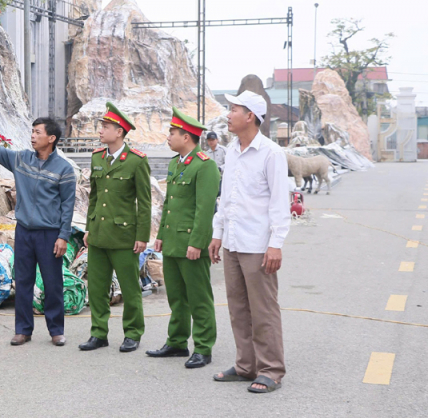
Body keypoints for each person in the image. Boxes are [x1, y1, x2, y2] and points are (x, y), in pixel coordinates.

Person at [0, 117, 76, 347]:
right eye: (32, 131)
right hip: (25, 232)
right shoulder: (21, 159)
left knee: (53, 283)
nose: (33, 136)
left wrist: (63, 236)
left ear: (51, 138)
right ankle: (23, 330)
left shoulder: (64, 169)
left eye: (38, 132)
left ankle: (56, 330)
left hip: (49, 234)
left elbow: (68, 205)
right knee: (23, 282)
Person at [208, 90, 290, 393]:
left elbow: (279, 203)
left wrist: (276, 243)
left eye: (234, 109)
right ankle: (246, 365)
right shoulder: (232, 151)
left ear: (250, 116)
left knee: (263, 309)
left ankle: (271, 370)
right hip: (233, 241)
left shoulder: (271, 153)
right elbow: (226, 197)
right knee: (238, 308)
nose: (228, 115)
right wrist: (218, 233)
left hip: (257, 244)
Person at [146, 107, 220, 368]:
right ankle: (177, 342)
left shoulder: (205, 166)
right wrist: (161, 235)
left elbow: (205, 209)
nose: (168, 137)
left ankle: (203, 347)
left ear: (186, 137)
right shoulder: (176, 163)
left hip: (191, 243)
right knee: (176, 297)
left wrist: (197, 243)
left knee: (199, 297)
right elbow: (170, 204)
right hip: (173, 242)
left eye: (172, 133)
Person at [79, 102, 151, 353]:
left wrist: (142, 236)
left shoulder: (136, 161)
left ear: (119, 132)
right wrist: (89, 228)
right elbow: (94, 197)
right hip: (99, 235)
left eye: (106, 127)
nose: (100, 130)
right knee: (97, 288)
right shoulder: (97, 157)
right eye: (101, 126)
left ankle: (132, 333)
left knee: (130, 288)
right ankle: (98, 333)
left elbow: (144, 202)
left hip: (123, 236)